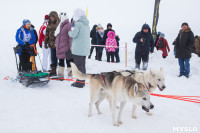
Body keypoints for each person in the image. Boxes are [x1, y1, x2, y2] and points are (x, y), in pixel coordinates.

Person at [68, 8, 90, 88]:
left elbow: (73, 34)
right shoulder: (86, 24)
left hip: (78, 49)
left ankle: (79, 83)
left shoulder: (78, 24)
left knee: (78, 66)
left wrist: (69, 32)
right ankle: (82, 81)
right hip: (84, 49)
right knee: (82, 66)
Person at [55, 12, 73, 78]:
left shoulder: (69, 25)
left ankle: (70, 74)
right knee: (61, 61)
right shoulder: (60, 25)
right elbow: (58, 36)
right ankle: (60, 75)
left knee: (69, 61)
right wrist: (56, 43)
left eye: (60, 17)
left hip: (67, 47)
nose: (59, 18)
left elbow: (70, 37)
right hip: (60, 47)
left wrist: (71, 46)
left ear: (63, 17)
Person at [44, 11, 60, 76]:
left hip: (58, 44)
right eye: (50, 17)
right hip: (51, 44)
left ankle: (61, 70)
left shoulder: (59, 24)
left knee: (59, 57)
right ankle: (53, 70)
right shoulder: (49, 24)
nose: (51, 18)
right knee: (53, 57)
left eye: (52, 17)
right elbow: (46, 34)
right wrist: (45, 42)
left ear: (55, 17)